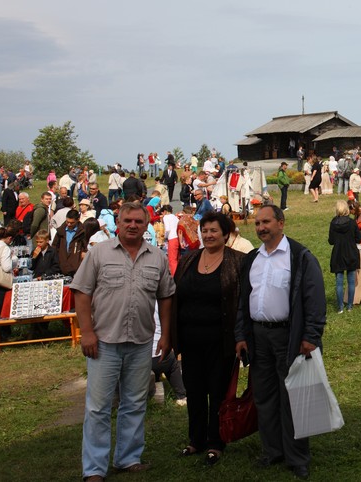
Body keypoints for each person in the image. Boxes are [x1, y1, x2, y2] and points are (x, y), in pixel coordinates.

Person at [71, 201, 175, 481]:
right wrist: (87, 332)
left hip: (141, 342)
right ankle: (94, 468)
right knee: (98, 406)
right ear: (117, 223)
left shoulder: (157, 257)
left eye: (138, 222)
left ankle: (128, 458)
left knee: (134, 402)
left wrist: (165, 334)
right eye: (127, 221)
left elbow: (165, 297)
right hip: (103, 342)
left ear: (147, 225)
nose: (132, 225)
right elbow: (81, 293)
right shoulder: (99, 253)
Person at [234, 204, 326, 480]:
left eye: (266, 222)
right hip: (259, 337)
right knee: (264, 396)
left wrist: (311, 336)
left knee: (295, 398)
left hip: (290, 336)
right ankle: (273, 451)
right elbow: (243, 301)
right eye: (257, 223)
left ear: (281, 223)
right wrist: (241, 335)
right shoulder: (252, 259)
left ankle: (297, 457)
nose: (261, 227)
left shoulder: (299, 257)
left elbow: (315, 299)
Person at [173, 211, 241, 465]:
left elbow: (243, 302)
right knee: (195, 390)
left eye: (214, 230)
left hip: (222, 341)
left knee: (218, 391)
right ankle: (196, 440)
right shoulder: (188, 259)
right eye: (205, 230)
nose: (208, 235)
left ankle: (216, 441)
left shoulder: (238, 262)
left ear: (226, 234)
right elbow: (175, 296)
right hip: (190, 340)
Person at [328, 201, 360, 313]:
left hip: (338, 254)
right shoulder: (352, 223)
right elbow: (358, 239)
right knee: (351, 281)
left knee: (339, 282)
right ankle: (350, 306)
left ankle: (340, 307)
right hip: (351, 253)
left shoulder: (333, 222)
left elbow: (331, 241)